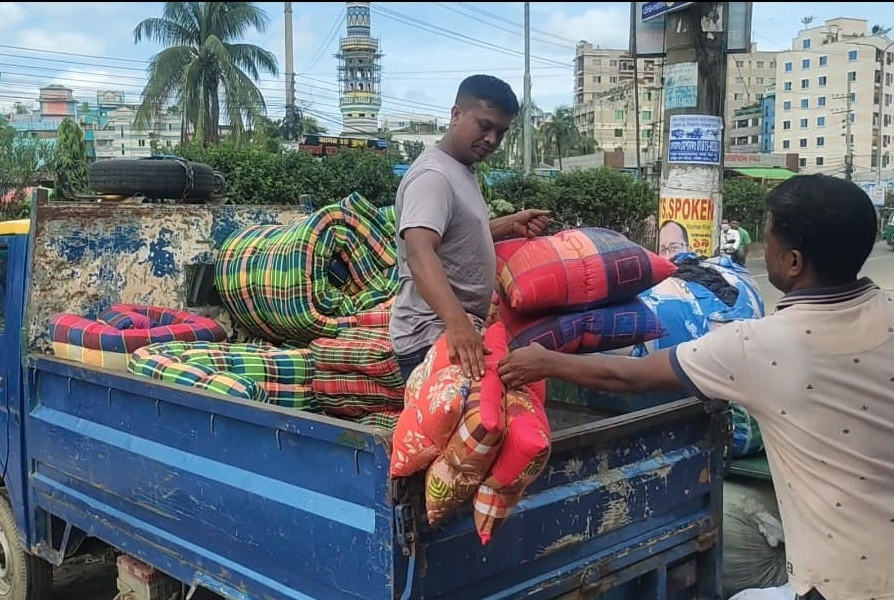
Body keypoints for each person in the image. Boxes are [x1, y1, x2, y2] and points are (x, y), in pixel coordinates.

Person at [499, 174, 893, 600]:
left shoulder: (762, 346)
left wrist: (544, 362)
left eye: (769, 236)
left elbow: (629, 375)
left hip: (842, 583)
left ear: (793, 262)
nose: (765, 245)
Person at [390, 74, 550, 383]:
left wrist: (510, 224)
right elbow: (420, 253)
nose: (492, 139)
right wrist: (458, 324)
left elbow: (456, 238)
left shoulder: (459, 169)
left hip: (447, 331)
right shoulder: (433, 176)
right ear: (455, 115)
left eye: (500, 132)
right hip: (432, 335)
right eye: (484, 125)